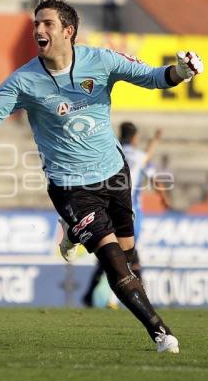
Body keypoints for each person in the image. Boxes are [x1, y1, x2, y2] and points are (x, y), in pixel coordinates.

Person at [0, 0, 203, 353]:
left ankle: (72, 232)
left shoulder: (101, 61)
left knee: (129, 255)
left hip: (115, 175)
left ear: (67, 31)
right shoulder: (24, 80)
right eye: (36, 24)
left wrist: (180, 72)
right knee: (114, 261)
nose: (38, 30)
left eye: (47, 24)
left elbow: (152, 77)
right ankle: (161, 332)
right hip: (71, 187)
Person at [82, 123, 171, 308]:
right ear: (135, 137)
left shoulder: (112, 152)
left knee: (110, 252)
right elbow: (154, 176)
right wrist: (164, 198)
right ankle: (126, 299)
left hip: (107, 208)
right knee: (128, 254)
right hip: (131, 212)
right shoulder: (140, 157)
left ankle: (91, 295)